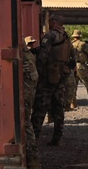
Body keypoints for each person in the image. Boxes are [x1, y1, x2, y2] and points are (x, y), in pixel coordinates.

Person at [31, 16, 74, 146]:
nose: (48, 23)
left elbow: (43, 56)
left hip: (48, 76)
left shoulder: (50, 36)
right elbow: (73, 57)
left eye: (49, 21)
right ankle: (57, 137)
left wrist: (37, 72)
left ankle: (33, 139)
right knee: (58, 107)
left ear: (54, 22)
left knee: (40, 107)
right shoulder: (66, 37)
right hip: (62, 75)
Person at [22, 35, 42, 169]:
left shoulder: (27, 59)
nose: (31, 46)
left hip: (27, 94)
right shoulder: (29, 56)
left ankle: (33, 164)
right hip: (29, 92)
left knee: (24, 122)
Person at [69, 30, 88, 109]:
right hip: (81, 66)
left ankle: (73, 103)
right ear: (80, 36)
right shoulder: (83, 44)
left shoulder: (70, 44)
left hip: (72, 66)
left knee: (73, 85)